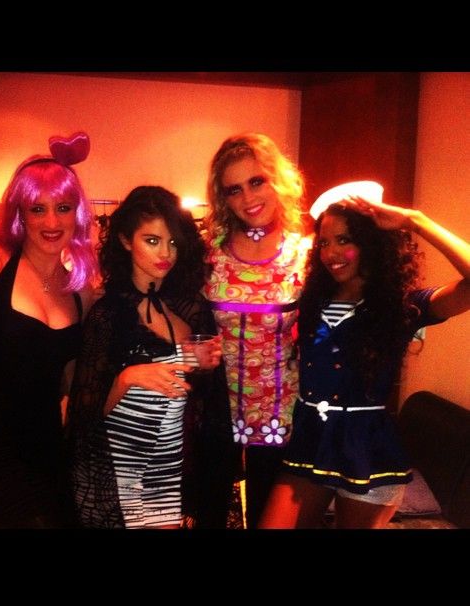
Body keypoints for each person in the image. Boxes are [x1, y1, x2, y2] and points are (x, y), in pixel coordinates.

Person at [260, 194, 470, 529]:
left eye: (344, 240)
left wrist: (414, 220)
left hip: (367, 450)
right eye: (324, 242)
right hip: (311, 440)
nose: (330, 253)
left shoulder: (403, 306)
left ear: (370, 243)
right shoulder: (311, 298)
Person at [67, 185, 234, 529]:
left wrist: (203, 366)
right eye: (152, 240)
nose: (165, 253)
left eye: (173, 242)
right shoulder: (108, 313)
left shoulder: (190, 308)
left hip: (168, 468)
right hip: (118, 468)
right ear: (126, 240)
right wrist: (127, 377)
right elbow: (82, 415)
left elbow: (199, 401)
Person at [0, 133, 98, 528]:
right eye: (38, 209)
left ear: (77, 214)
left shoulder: (80, 290)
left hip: (49, 454)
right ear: (21, 214)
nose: (51, 222)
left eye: (63, 208)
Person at [203, 133, 311, 528]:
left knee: (267, 518)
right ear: (224, 198)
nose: (248, 197)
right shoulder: (207, 251)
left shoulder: (306, 254)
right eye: (234, 189)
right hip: (214, 413)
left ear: (277, 180)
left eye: (256, 181)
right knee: (210, 515)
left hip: (281, 415)